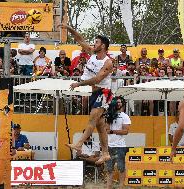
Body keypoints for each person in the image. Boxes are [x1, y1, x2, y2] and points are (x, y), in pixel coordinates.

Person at [59, 23, 114, 164]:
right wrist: (69, 29)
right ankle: (106, 153)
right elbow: (80, 40)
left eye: (96, 42)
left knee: (92, 120)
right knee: (100, 124)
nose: (93, 44)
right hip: (94, 92)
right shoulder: (92, 53)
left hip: (104, 92)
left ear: (103, 46)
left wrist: (79, 83)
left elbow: (97, 79)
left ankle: (78, 144)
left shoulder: (108, 63)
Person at [106, 96, 131, 189]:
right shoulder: (109, 115)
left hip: (120, 146)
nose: (118, 103)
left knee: (121, 168)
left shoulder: (125, 116)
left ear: (122, 104)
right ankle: (109, 186)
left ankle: (121, 186)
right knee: (109, 169)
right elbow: (106, 129)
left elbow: (126, 131)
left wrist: (112, 131)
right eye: (116, 102)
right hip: (109, 145)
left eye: (120, 102)